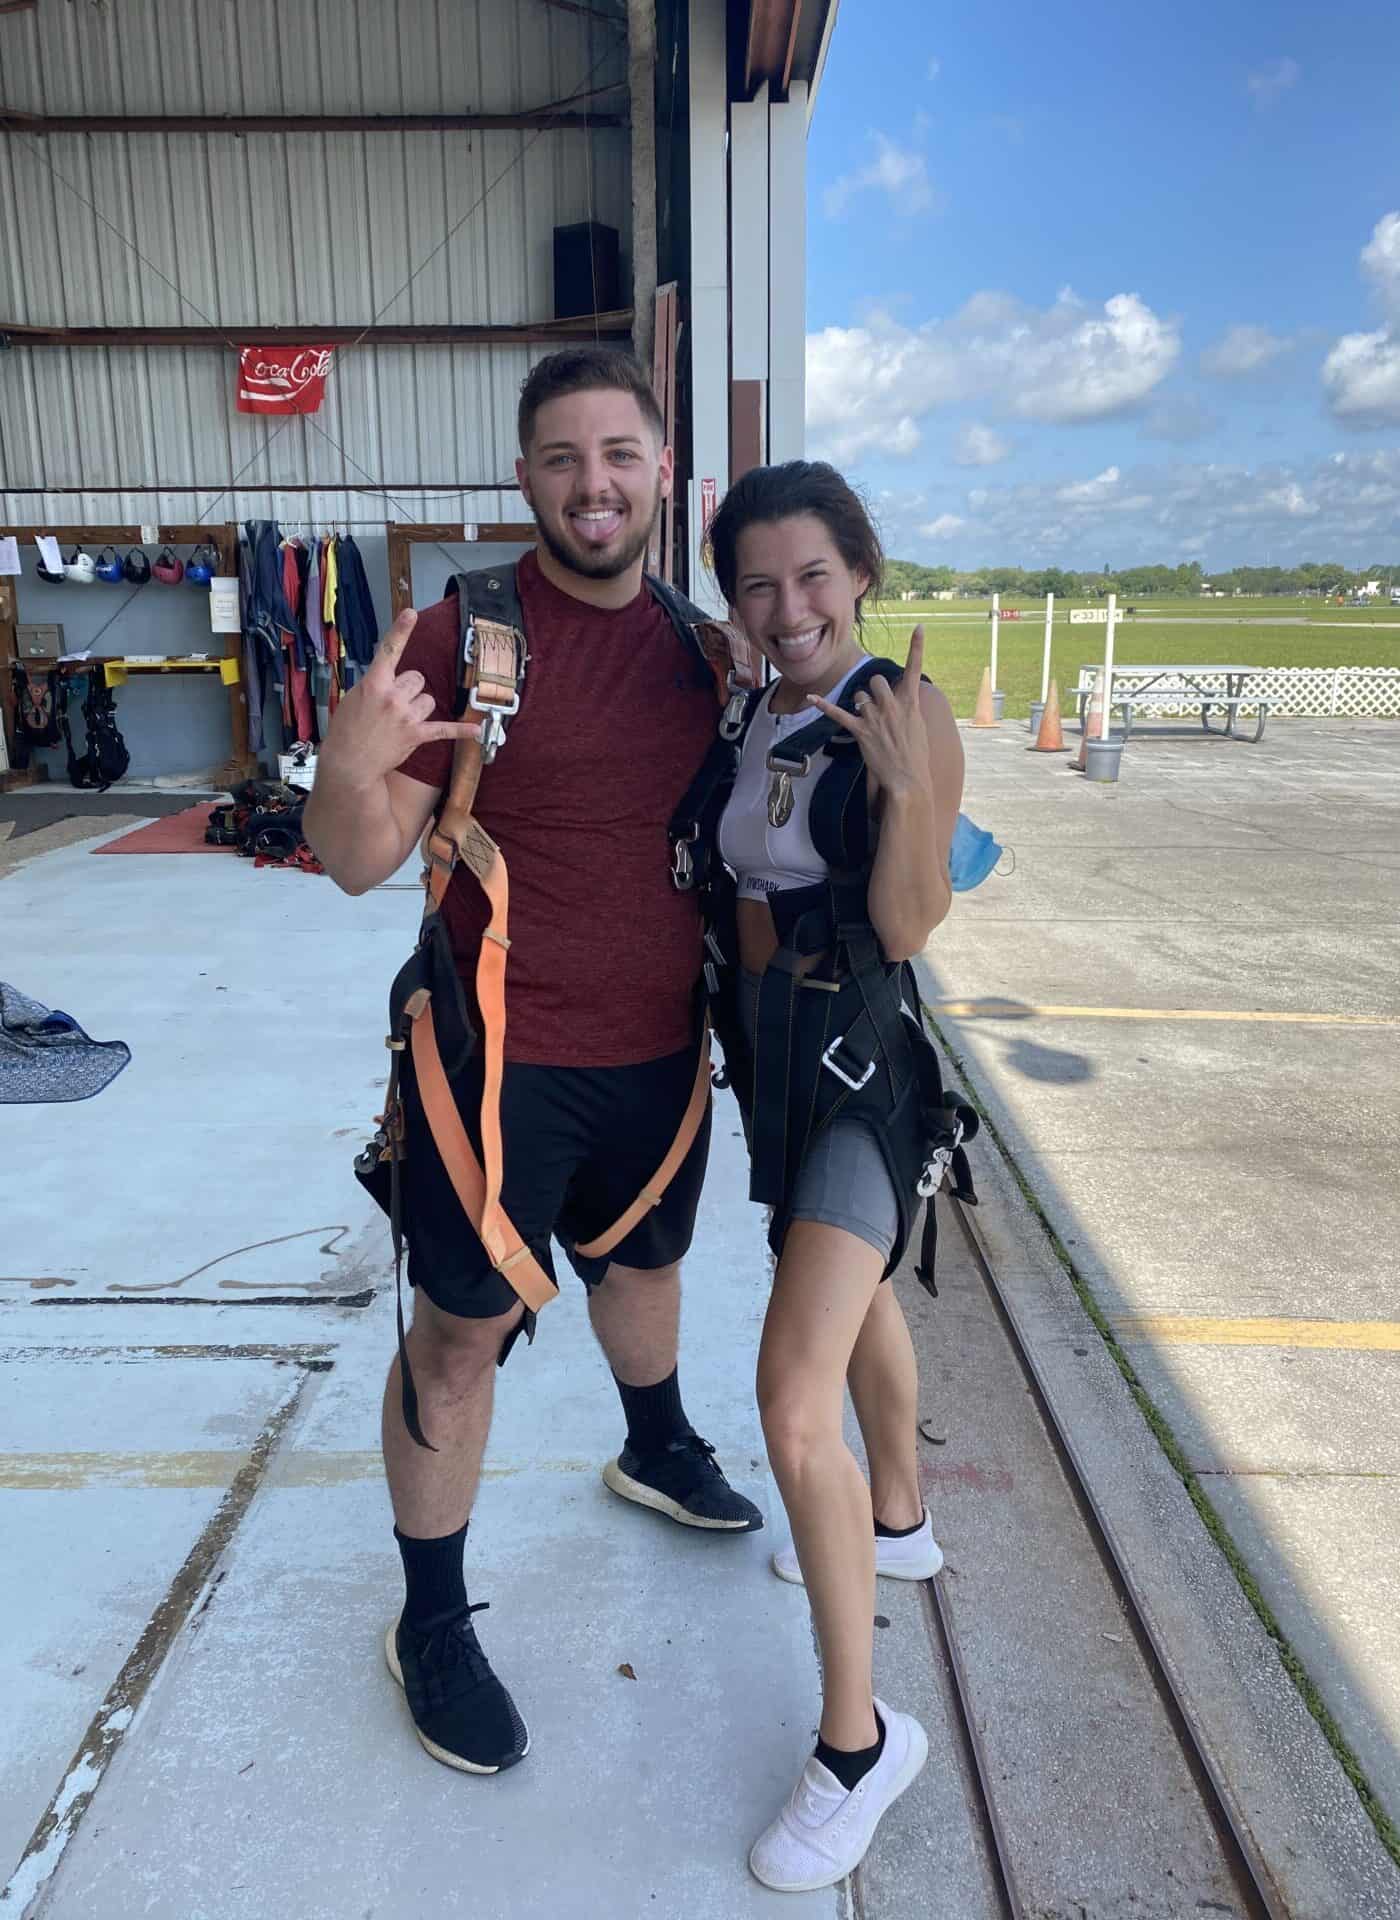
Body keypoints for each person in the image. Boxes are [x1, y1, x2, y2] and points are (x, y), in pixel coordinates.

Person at [304, 347, 762, 1781]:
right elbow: (354, 861)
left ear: (664, 471)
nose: (595, 485)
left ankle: (656, 1443)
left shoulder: (701, 651)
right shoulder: (465, 637)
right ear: (525, 480)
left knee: (643, 1265)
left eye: (620, 455)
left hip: (658, 1055)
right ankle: (432, 1620)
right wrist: (347, 758)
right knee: (457, 1338)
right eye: (563, 459)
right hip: (492, 1067)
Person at [688, 461, 966, 1891]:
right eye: (755, 581)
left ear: (859, 568)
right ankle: (900, 1521)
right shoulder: (752, 707)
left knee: (792, 1403)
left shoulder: (898, 712)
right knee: (857, 1309)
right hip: (771, 1069)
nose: (787, 605)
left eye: (811, 574)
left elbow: (909, 925)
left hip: (860, 1073)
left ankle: (860, 1746)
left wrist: (913, 795)